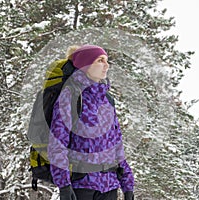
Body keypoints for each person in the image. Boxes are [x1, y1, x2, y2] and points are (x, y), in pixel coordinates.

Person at [48, 45, 134, 200]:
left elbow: (117, 145)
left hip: (109, 186)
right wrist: (64, 185)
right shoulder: (71, 96)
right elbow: (57, 144)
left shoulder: (107, 100)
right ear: (85, 65)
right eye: (100, 60)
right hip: (81, 186)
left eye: (107, 60)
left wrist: (128, 186)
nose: (106, 65)